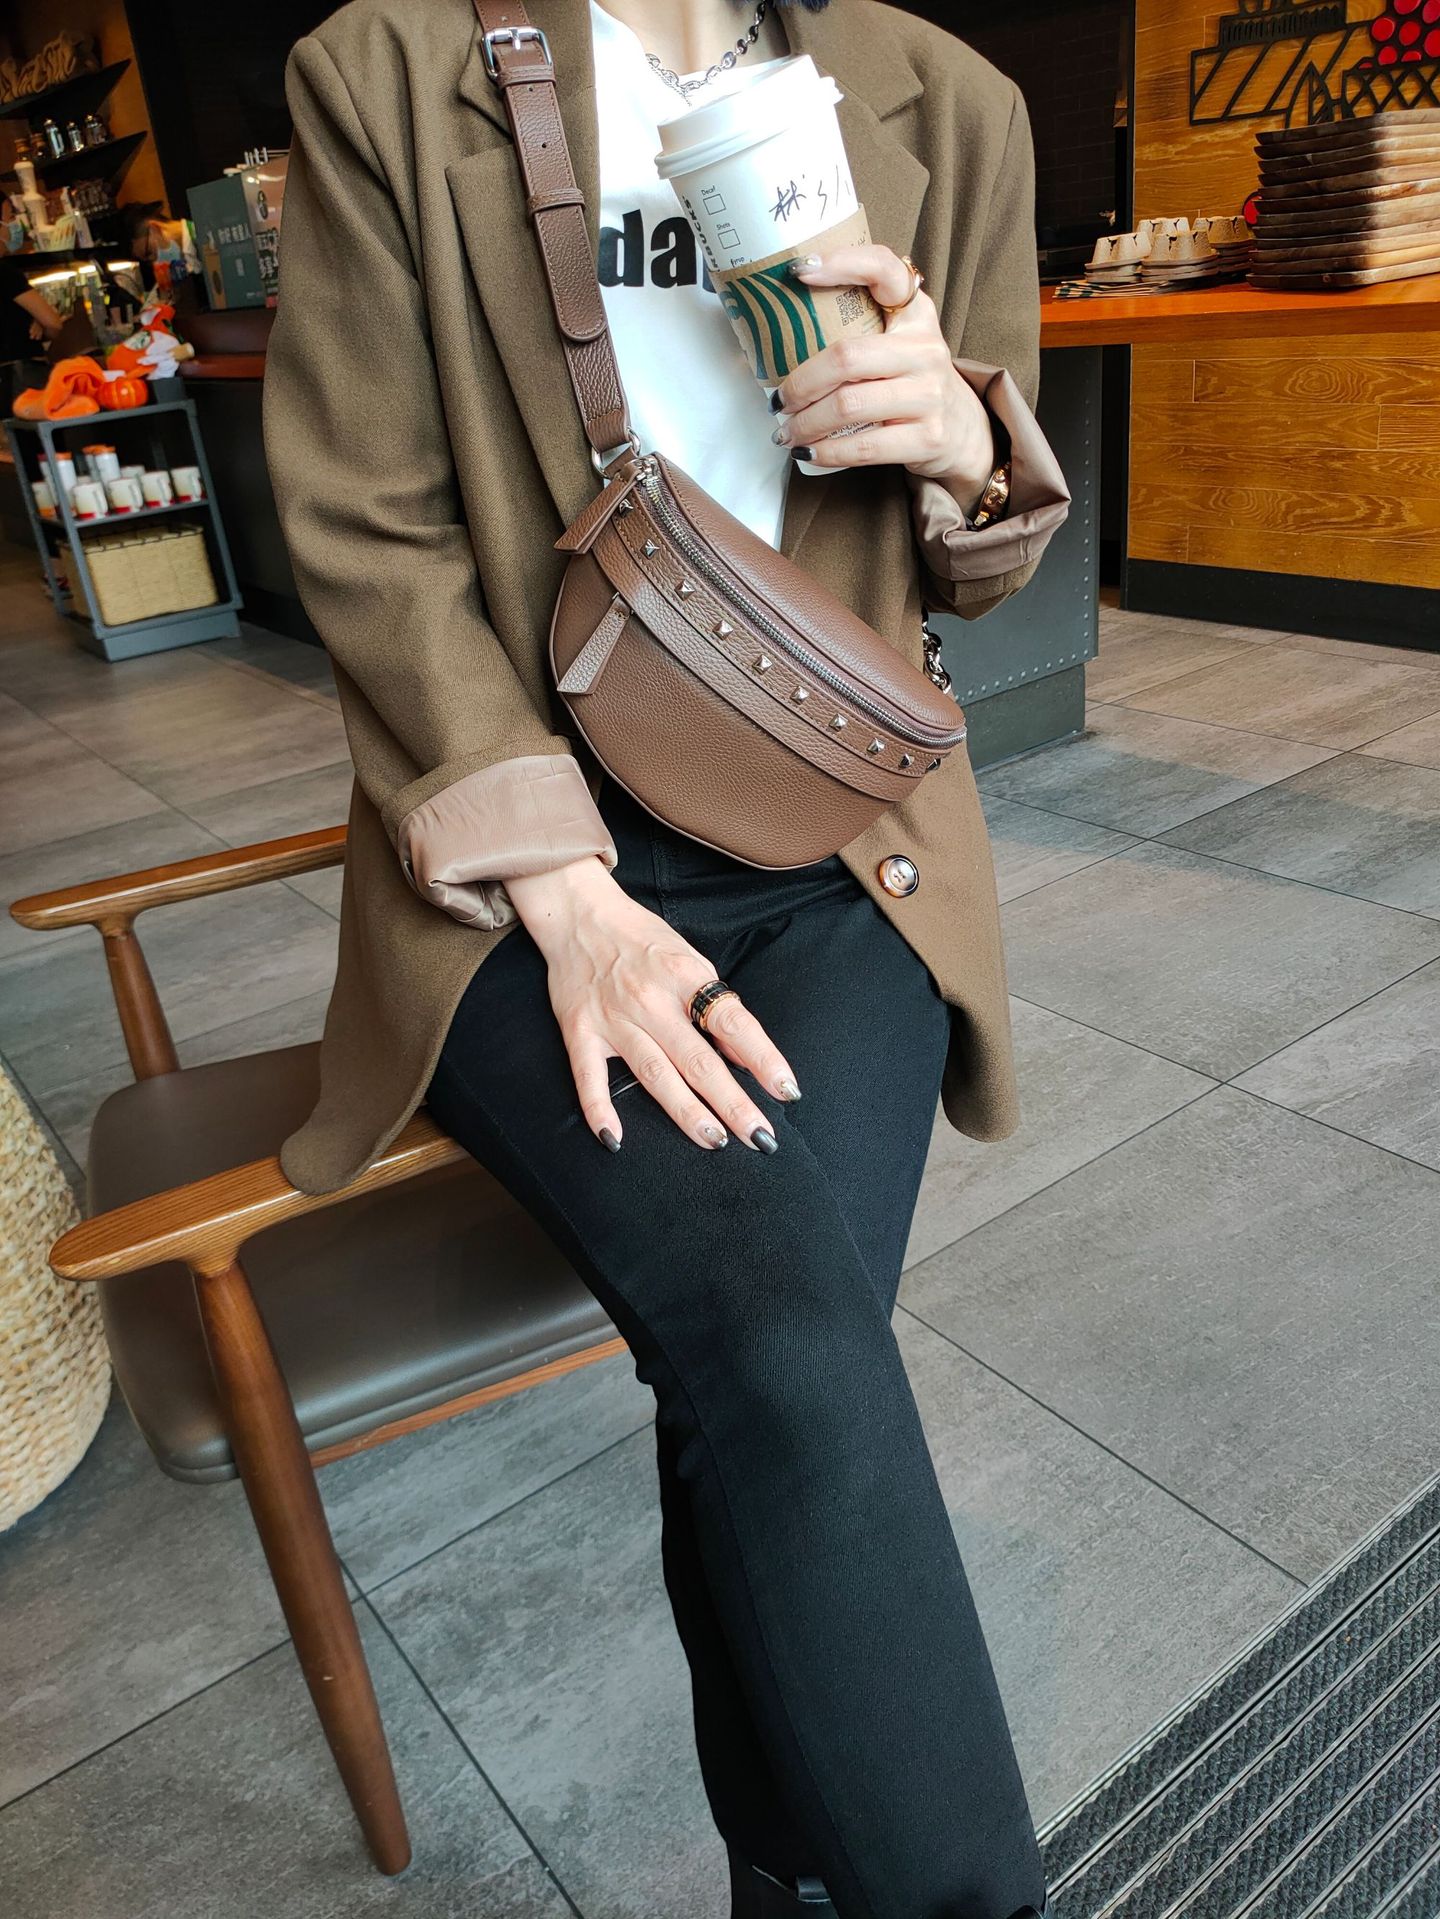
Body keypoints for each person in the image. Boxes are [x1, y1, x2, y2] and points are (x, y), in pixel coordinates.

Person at [263, 2, 1070, 1914]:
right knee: (789, 1362)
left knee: (778, 1387)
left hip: (841, 848)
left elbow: (983, 554)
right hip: (534, 874)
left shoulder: (944, 98)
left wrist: (967, 444)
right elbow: (368, 529)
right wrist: (567, 894)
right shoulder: (390, 69)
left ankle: (786, 1879)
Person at [0, 199, 64, 407]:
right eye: (10, 217)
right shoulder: (5, 273)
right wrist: (43, 325)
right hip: (21, 377)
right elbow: (53, 323)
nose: (15, 225)